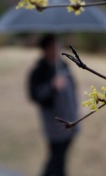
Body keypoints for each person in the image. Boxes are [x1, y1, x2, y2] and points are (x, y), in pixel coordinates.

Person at [28, 34, 79, 176]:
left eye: (58, 45)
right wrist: (52, 86)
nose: (56, 49)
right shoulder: (38, 71)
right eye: (53, 46)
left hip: (71, 121)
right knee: (56, 158)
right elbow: (35, 96)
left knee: (61, 159)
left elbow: (72, 91)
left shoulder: (64, 66)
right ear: (45, 49)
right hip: (54, 125)